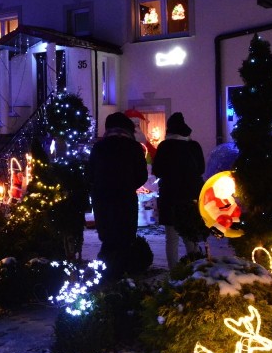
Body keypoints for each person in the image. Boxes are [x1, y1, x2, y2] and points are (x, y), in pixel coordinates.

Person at [87, 112, 149, 281]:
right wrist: (128, 185)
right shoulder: (134, 147)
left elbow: (90, 174)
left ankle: (106, 274)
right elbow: (142, 175)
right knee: (125, 238)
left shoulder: (99, 147)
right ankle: (122, 277)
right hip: (124, 199)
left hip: (103, 200)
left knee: (108, 238)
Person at [152, 112, 206, 269]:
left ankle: (174, 271)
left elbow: (157, 170)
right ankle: (195, 267)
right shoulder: (194, 146)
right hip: (191, 196)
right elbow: (201, 169)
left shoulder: (164, 146)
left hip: (170, 196)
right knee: (191, 235)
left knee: (172, 237)